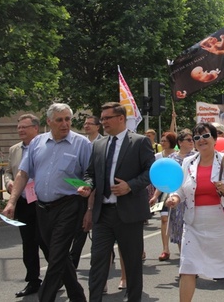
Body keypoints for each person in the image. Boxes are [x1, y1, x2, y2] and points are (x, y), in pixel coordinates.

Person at [2, 103, 92, 302]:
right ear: (49, 122)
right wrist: (12, 202)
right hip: (42, 208)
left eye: (68, 119)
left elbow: (90, 175)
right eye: (59, 120)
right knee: (57, 255)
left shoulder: (82, 144)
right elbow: (23, 173)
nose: (65, 124)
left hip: (69, 205)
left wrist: (89, 209)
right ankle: (78, 297)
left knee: (57, 256)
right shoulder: (37, 143)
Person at [83, 102, 155, 302]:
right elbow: (90, 173)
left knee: (132, 264)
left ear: (121, 118)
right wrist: (87, 185)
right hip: (103, 213)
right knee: (97, 262)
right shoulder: (98, 144)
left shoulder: (139, 142)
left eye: (107, 118)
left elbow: (150, 172)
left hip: (129, 213)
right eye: (102, 118)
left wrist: (130, 186)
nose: (103, 122)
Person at [165, 123, 224, 302]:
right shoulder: (188, 162)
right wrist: (175, 198)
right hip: (194, 224)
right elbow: (180, 189)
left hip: (222, 223)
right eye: (196, 137)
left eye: (205, 136)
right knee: (187, 267)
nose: (201, 140)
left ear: (215, 139)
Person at [4, 114, 49, 297]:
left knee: (44, 240)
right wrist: (8, 182)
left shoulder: (46, 146)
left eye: (25, 127)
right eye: (19, 127)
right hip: (23, 202)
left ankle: (60, 274)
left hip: (42, 201)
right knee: (28, 243)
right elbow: (8, 171)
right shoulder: (15, 149)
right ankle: (33, 281)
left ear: (35, 128)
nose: (21, 130)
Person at [70, 115, 104, 269]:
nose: (87, 126)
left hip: (96, 194)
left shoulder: (103, 144)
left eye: (91, 123)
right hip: (80, 192)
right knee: (79, 230)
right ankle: (72, 262)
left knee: (92, 230)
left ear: (98, 127)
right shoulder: (79, 144)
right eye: (85, 123)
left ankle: (106, 254)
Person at [149, 132, 177, 261]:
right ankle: (165, 249)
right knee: (164, 219)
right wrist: (155, 196)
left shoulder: (177, 157)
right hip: (162, 192)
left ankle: (184, 250)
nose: (162, 142)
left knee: (179, 221)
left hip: (177, 192)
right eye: (161, 140)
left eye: (165, 140)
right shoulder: (157, 157)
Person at [167, 129, 196, 254]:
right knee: (178, 227)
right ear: (180, 142)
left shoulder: (196, 157)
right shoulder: (171, 158)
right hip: (176, 197)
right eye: (189, 140)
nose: (192, 142)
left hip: (191, 197)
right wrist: (157, 195)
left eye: (193, 139)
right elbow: (166, 178)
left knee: (192, 229)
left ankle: (193, 261)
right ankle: (183, 258)